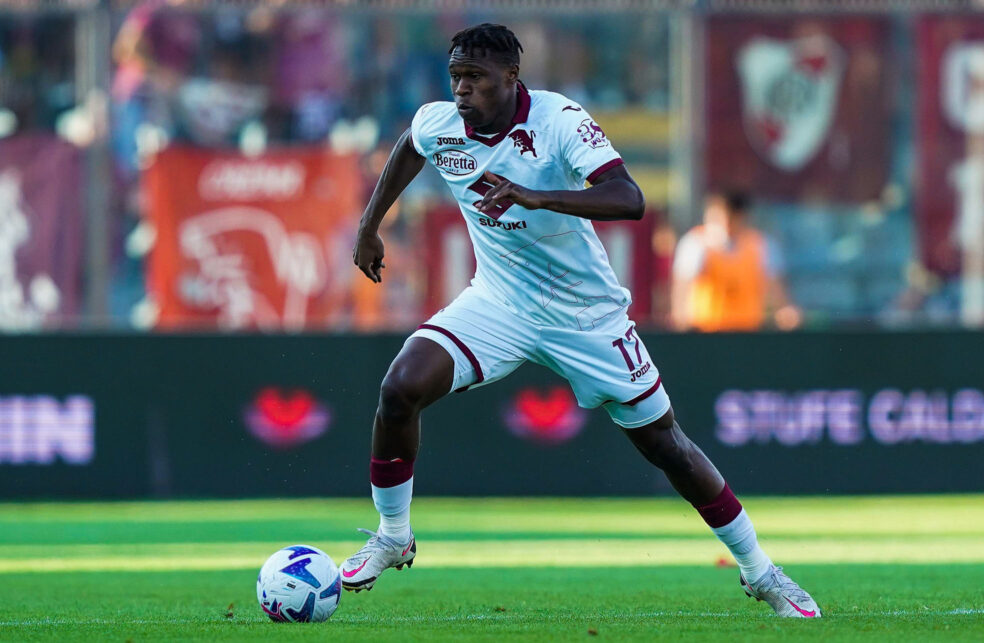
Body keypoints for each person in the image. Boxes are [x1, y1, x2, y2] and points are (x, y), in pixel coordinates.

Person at [344, 23, 820, 618]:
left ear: (511, 78)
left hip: (585, 315)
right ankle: (393, 535)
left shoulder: (560, 121)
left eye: (475, 78)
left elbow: (630, 198)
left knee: (665, 445)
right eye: (456, 78)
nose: (462, 91)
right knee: (399, 388)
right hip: (499, 301)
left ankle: (762, 571)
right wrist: (370, 226)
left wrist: (540, 196)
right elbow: (411, 146)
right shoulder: (440, 122)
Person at [671, 191, 801, 332]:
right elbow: (682, 289)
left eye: (728, 218)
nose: (723, 225)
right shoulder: (695, 244)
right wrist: (681, 319)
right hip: (705, 332)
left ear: (740, 217)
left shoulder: (761, 245)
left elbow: (777, 289)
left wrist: (786, 312)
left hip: (748, 332)